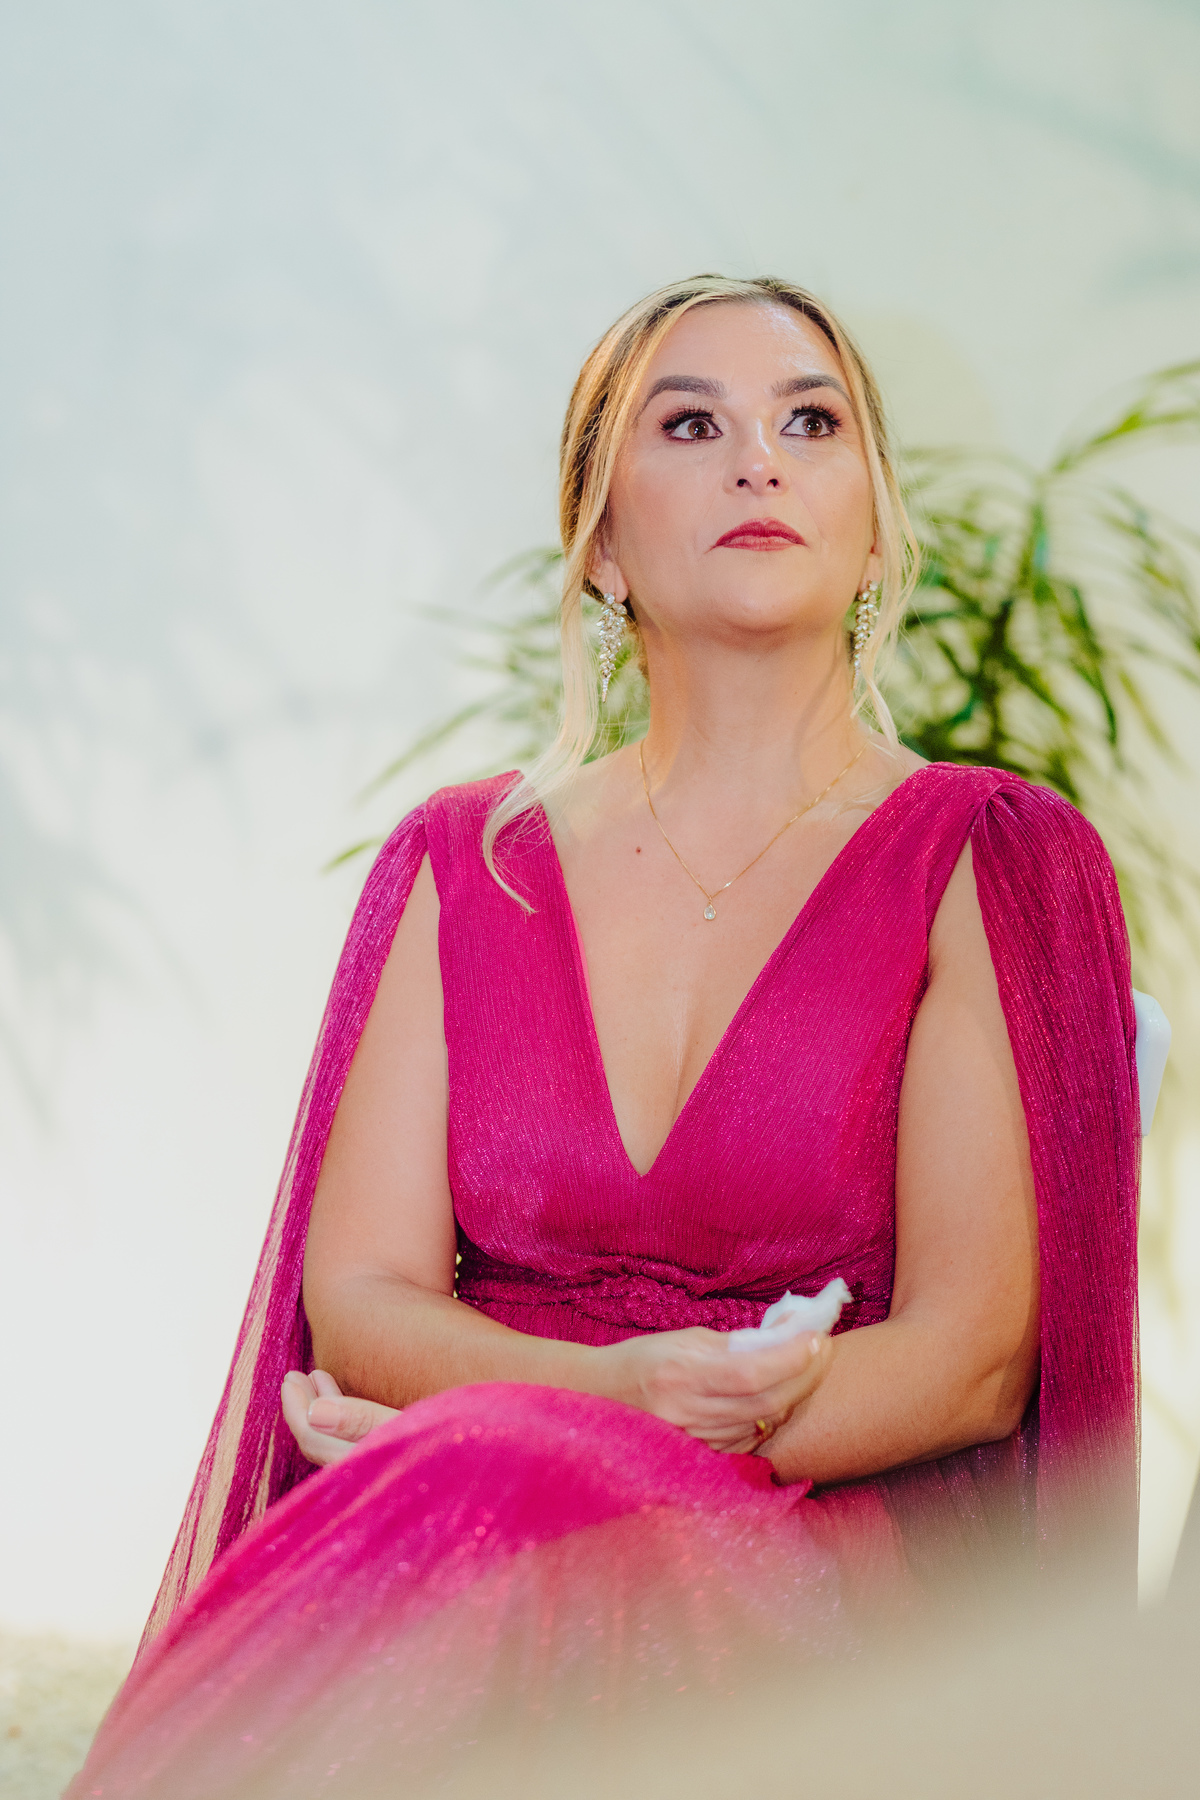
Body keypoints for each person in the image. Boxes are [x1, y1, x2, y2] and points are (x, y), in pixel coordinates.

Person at [69, 277, 1140, 1799]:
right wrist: (579, 1416)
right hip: (474, 1500)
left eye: (812, 423)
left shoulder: (992, 853)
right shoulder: (461, 863)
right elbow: (360, 1294)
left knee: (482, 1535)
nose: (759, 460)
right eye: (691, 425)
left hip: (814, 1540)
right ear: (600, 546)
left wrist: (553, 1441)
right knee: (473, 1539)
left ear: (876, 528)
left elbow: (972, 1363)